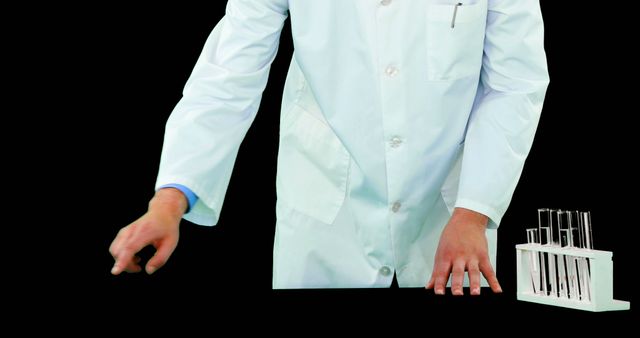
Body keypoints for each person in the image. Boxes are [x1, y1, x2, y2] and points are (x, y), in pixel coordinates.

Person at [109, 0, 549, 294]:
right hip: (326, 213)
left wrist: (473, 213)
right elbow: (228, 75)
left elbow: (515, 85)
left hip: (450, 215)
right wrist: (169, 201)